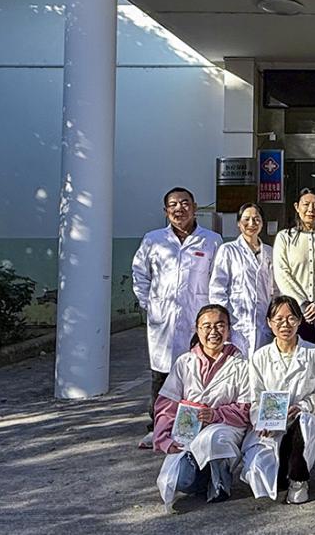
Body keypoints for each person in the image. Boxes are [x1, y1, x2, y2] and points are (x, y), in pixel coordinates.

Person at [132, 187, 223, 448]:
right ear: (166, 211)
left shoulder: (211, 240)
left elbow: (217, 279)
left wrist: (213, 315)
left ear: (195, 208)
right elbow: (140, 274)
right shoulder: (153, 240)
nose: (179, 209)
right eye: (173, 204)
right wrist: (149, 304)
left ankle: (190, 426)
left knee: (195, 375)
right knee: (161, 377)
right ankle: (157, 428)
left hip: (198, 319)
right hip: (163, 320)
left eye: (184, 203)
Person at [152, 304, 250, 509]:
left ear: (228, 329)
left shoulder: (241, 364)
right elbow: (166, 404)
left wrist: (215, 414)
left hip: (225, 429)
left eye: (220, 325)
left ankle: (221, 480)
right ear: (197, 329)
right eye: (207, 326)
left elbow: (246, 409)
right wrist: (163, 439)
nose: (213, 332)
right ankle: (204, 477)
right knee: (181, 481)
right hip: (189, 432)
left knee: (213, 438)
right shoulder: (184, 362)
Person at [240, 295, 315, 504]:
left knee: (304, 423)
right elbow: (254, 398)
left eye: (291, 318)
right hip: (271, 429)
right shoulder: (259, 357)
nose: (285, 324)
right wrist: (262, 421)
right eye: (278, 319)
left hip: (304, 421)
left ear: (299, 320)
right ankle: (283, 472)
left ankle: (299, 478)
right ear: (269, 323)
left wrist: (303, 406)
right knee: (258, 472)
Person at [209, 203, 275, 358]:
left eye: (256, 219)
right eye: (246, 219)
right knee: (236, 367)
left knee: (261, 366)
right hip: (236, 326)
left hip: (263, 326)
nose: (252, 223)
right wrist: (224, 323)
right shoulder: (228, 250)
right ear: (239, 223)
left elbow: (276, 290)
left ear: (262, 223)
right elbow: (217, 290)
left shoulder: (270, 252)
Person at [273, 188, 315, 348]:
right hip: (294, 311)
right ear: (297, 207)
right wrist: (302, 303)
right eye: (306, 204)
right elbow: (282, 273)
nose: (311, 209)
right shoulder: (284, 237)